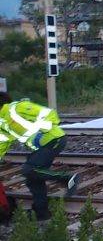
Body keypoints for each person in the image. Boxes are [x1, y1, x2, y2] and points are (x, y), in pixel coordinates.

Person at [0, 92, 79, 221]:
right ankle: (42, 213)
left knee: (29, 169)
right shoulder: (2, 123)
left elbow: (48, 113)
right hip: (41, 147)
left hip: (53, 139)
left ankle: (68, 178)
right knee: (32, 178)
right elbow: (2, 144)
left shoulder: (16, 108)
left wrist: (45, 130)